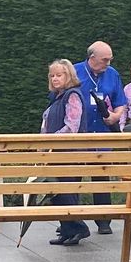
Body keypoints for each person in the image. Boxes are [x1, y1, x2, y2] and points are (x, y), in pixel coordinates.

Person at [74, 40, 127, 234]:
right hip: (80, 134)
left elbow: (120, 101)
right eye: (105, 60)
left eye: (110, 60)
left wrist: (116, 116)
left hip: (103, 135)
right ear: (92, 58)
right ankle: (73, 221)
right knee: (74, 178)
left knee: (102, 176)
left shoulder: (112, 75)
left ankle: (104, 220)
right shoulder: (74, 72)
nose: (108, 64)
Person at [41, 58, 90, 246]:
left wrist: (52, 139)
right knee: (56, 193)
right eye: (52, 75)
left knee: (66, 191)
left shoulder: (73, 96)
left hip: (69, 154)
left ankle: (79, 228)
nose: (55, 79)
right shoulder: (56, 97)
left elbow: (72, 126)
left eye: (59, 75)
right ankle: (67, 230)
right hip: (54, 154)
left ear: (68, 76)